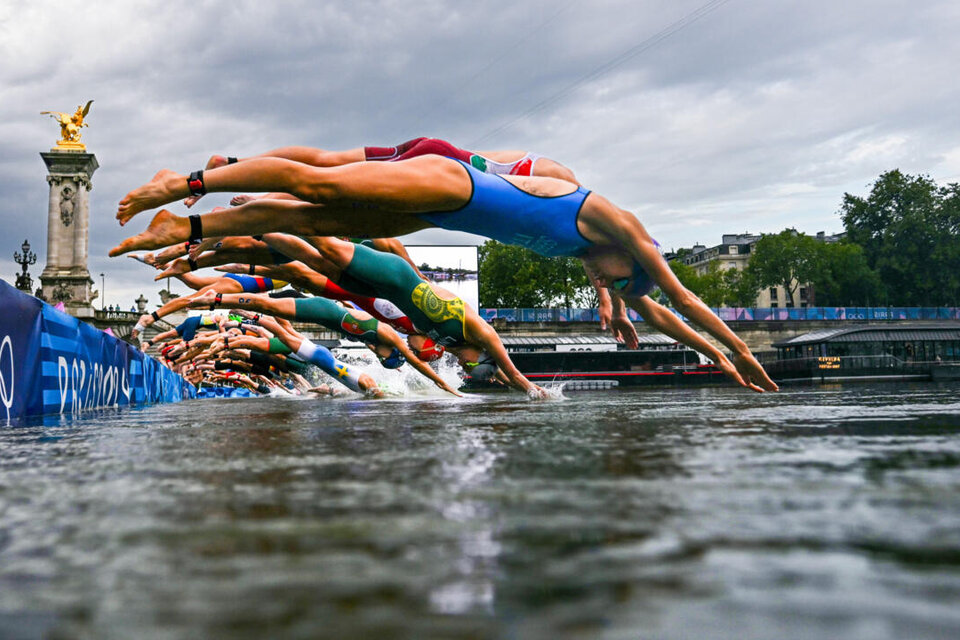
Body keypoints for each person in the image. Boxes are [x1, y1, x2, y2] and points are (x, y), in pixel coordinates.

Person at [112, 154, 778, 392]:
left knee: (315, 222)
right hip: (451, 182)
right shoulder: (617, 223)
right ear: (632, 257)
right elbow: (681, 295)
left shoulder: (597, 259)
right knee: (316, 185)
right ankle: (187, 185)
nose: (615, 289)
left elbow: (660, 312)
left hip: (440, 214)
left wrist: (713, 359)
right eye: (623, 284)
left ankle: (190, 232)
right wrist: (741, 349)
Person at [186, 289, 461, 397]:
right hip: (326, 313)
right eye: (385, 358)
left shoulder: (376, 344)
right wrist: (443, 384)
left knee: (283, 332)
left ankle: (240, 314)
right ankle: (227, 302)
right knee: (282, 327)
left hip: (328, 328)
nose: (379, 357)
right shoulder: (388, 337)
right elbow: (414, 361)